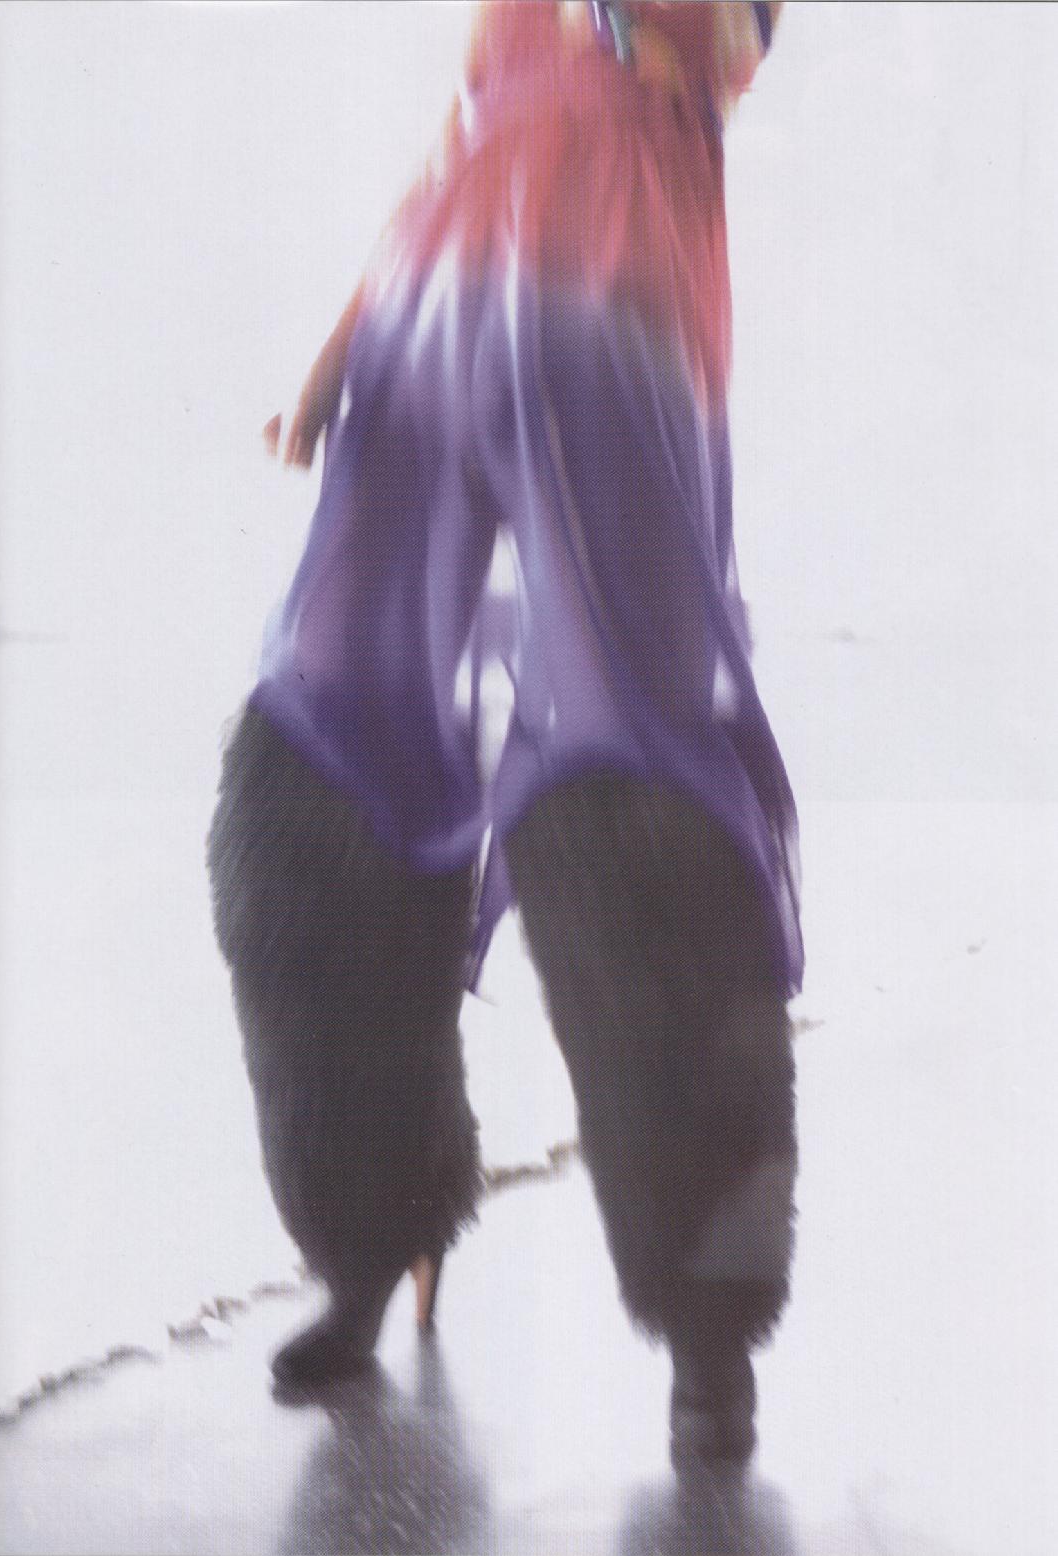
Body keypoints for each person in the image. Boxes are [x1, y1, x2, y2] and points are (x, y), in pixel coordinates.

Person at [208, 0, 801, 1474]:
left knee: (637, 789)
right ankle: (369, 1229)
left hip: (614, 322)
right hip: (434, 322)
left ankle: (709, 1325)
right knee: (327, 746)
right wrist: (343, 341)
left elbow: (730, 47)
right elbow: (463, 137)